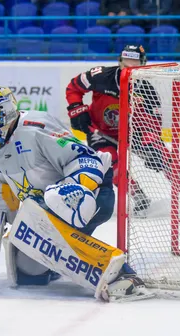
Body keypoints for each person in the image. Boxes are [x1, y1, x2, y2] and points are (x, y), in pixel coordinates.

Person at [0, 85, 154, 302]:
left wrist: (76, 188)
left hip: (91, 189)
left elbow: (86, 159)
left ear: (7, 111)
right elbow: (9, 174)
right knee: (30, 273)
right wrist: (2, 194)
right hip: (46, 201)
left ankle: (123, 275)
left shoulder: (35, 128)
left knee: (52, 223)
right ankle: (59, 259)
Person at [66, 44, 171, 216]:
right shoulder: (100, 76)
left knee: (163, 155)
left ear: (143, 63)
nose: (130, 65)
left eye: (135, 61)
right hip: (101, 131)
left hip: (133, 131)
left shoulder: (146, 88)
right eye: (127, 60)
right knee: (109, 161)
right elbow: (73, 87)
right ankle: (137, 195)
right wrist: (77, 110)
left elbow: (153, 122)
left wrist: (152, 144)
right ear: (120, 61)